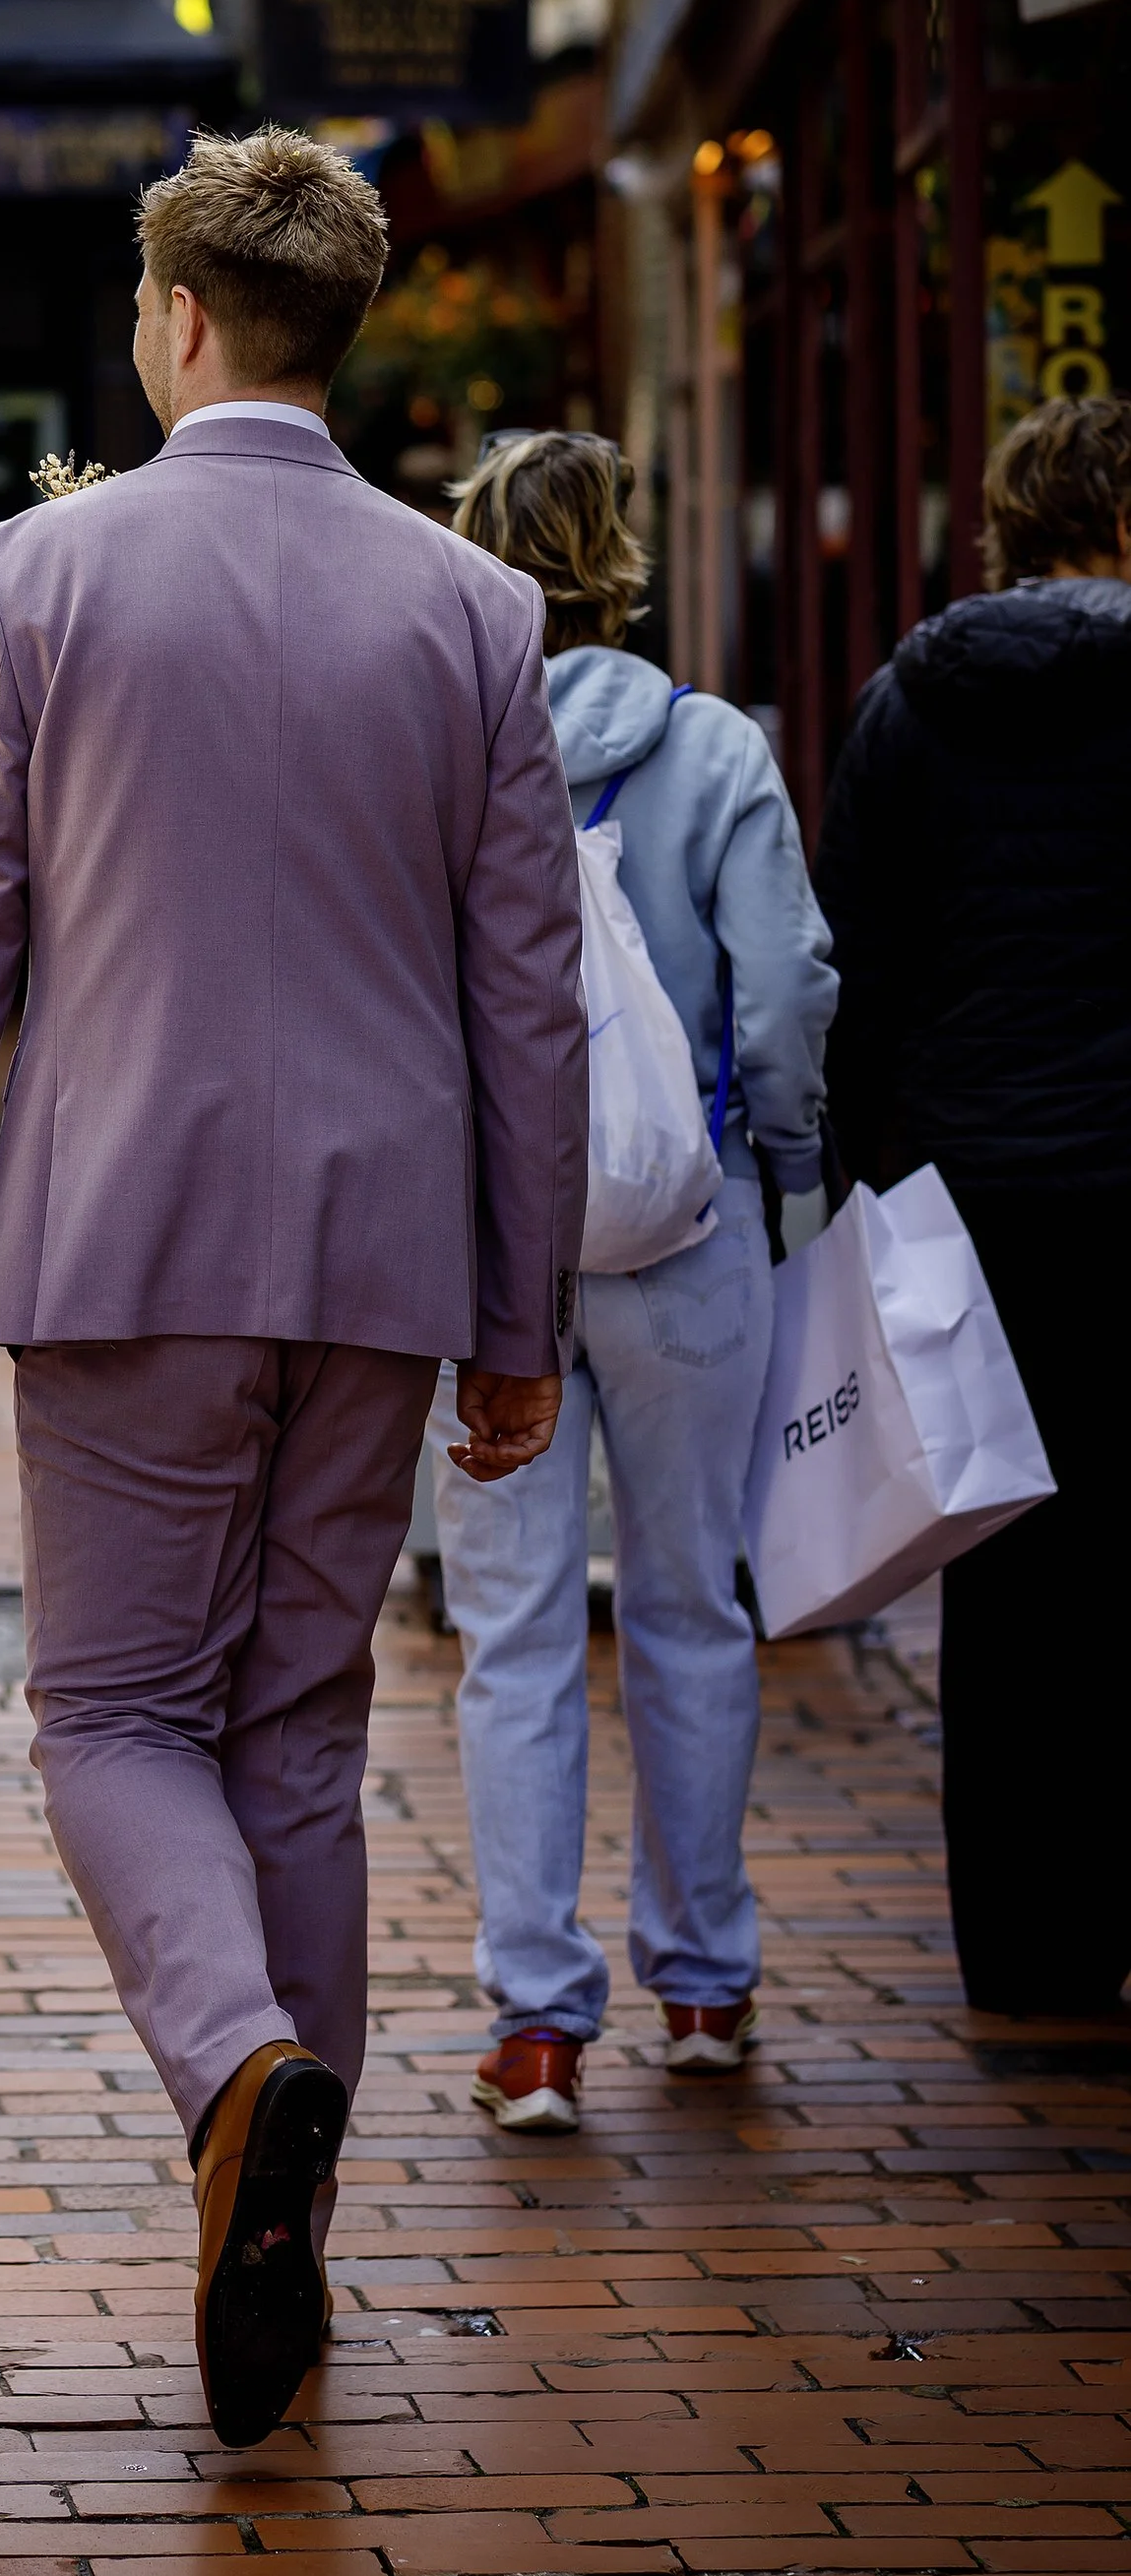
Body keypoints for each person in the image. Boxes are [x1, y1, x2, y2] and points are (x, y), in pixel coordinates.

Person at [0, 129, 587, 2447]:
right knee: (295, 1725)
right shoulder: (470, 609)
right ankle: (284, 2197)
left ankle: (239, 2069)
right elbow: (529, 997)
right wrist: (521, 1313)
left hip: (128, 1231)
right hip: (382, 1240)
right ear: (334, 333)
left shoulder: (36, 573)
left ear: (172, 321)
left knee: (105, 1716)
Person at [432, 431, 836, 2133]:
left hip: (492, 1256)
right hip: (690, 1239)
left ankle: (535, 2023)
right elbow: (789, 989)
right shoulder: (714, 746)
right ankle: (705, 1983)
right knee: (690, 1607)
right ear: (623, 555)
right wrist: (789, 1179)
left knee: (511, 1633)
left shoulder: (446, 747)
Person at [816, 393, 1131, 2017]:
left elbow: (852, 969)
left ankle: (1028, 1952)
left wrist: (887, 1164)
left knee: (1005, 1578)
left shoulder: (908, 707)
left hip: (984, 1201)